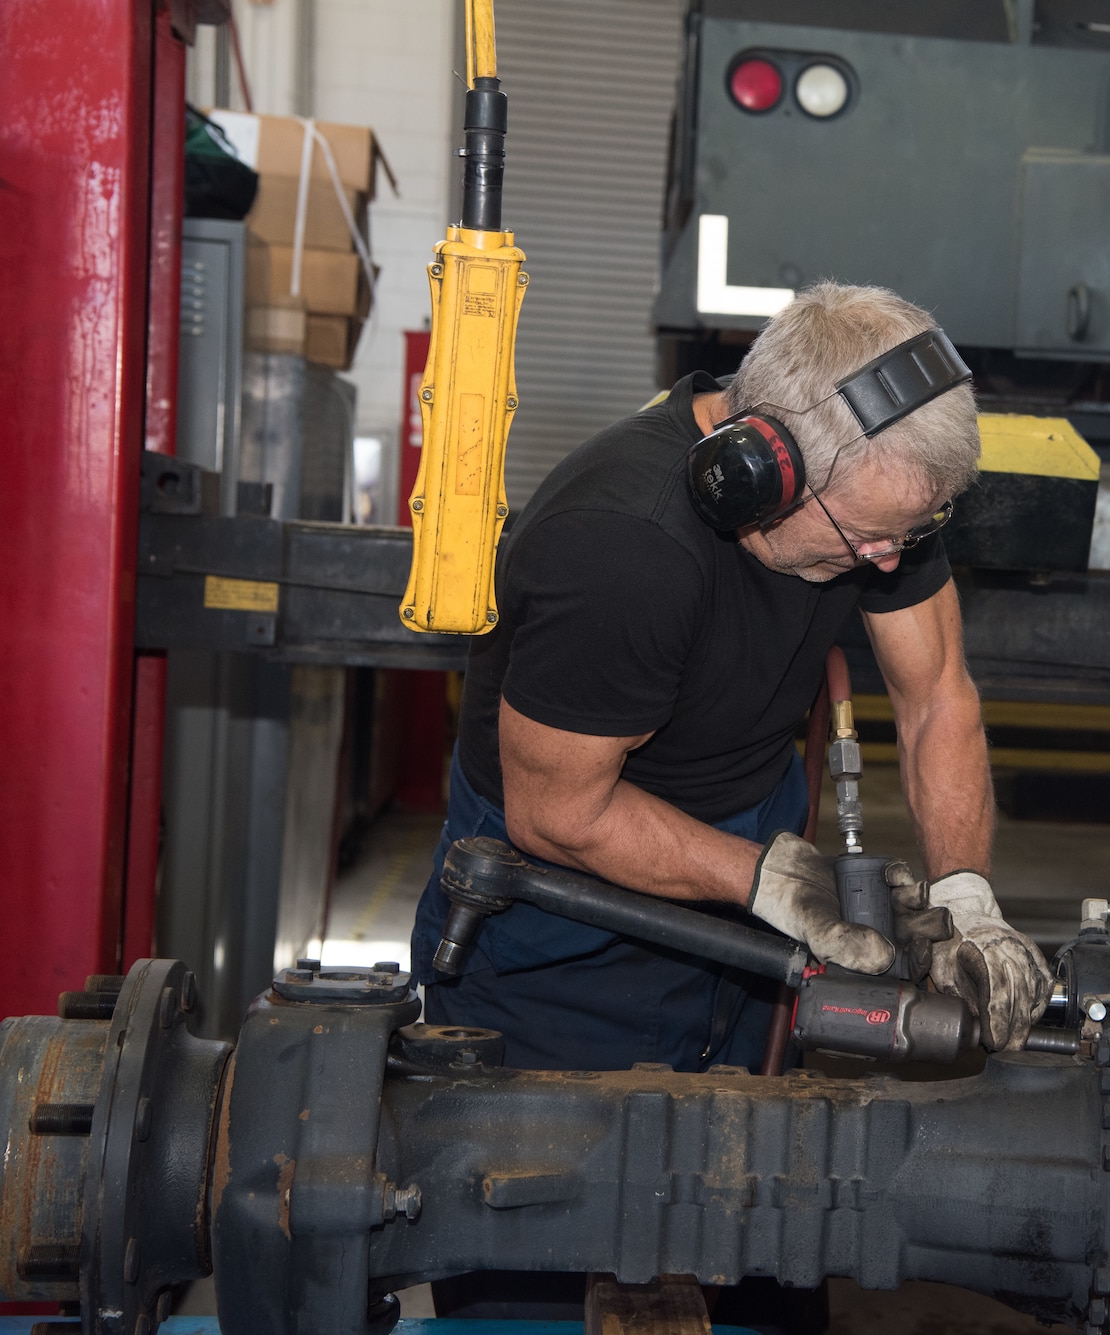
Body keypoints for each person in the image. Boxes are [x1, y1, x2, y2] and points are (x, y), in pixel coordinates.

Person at [409, 283, 1051, 1081]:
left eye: (909, 534)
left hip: (746, 904)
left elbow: (936, 699)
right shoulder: (623, 549)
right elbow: (557, 814)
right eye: (868, 537)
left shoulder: (874, 505)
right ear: (757, 471)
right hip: (563, 935)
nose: (889, 561)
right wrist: (774, 879)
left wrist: (968, 903)